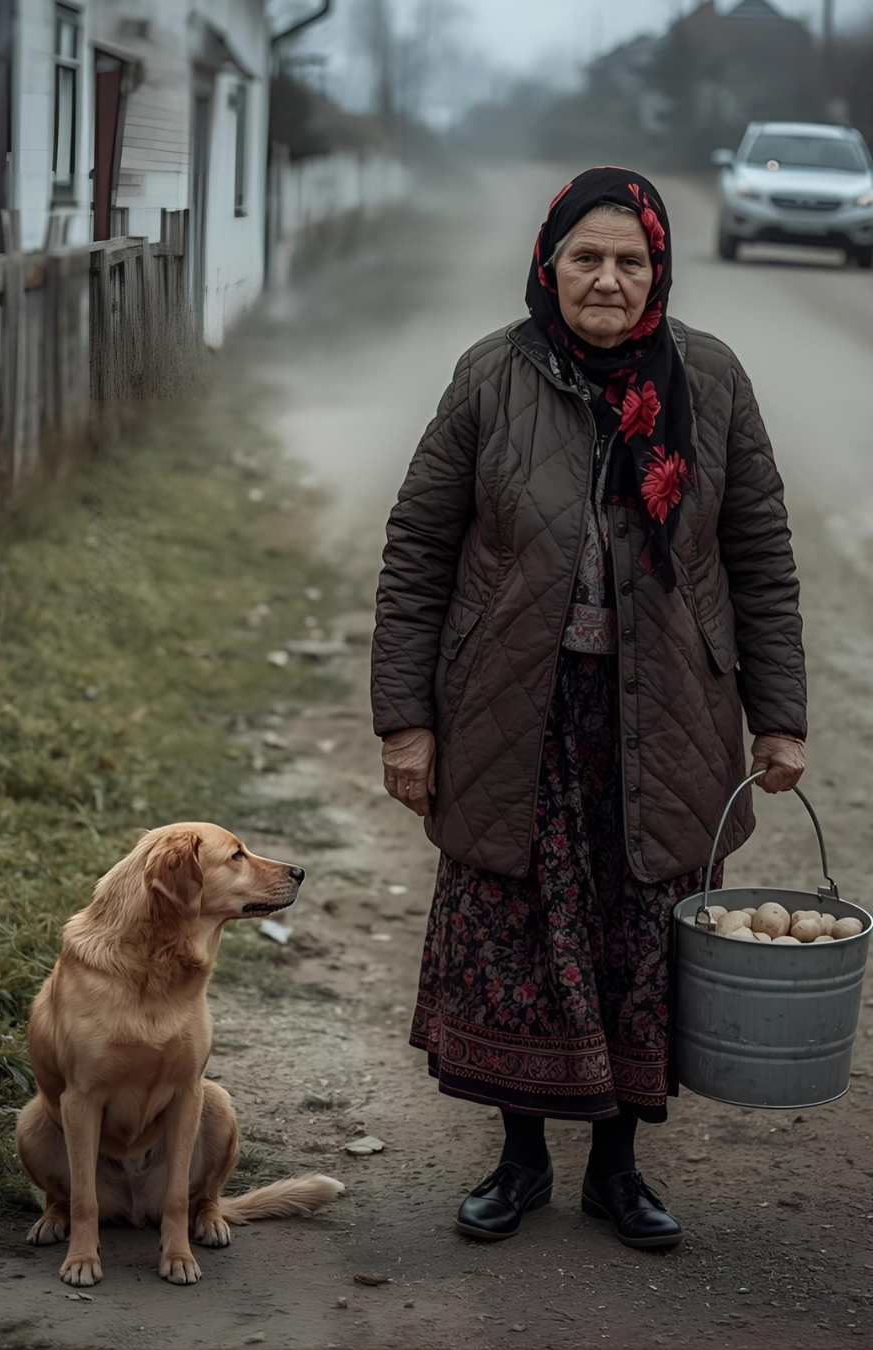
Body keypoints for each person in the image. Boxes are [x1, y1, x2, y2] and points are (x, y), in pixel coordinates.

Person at [370, 167, 806, 1249]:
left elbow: (759, 555)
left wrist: (780, 716)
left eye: (631, 261)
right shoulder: (490, 376)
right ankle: (519, 1162)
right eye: (587, 258)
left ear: (658, 270)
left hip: (669, 714)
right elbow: (419, 549)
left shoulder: (710, 377)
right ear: (549, 265)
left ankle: (619, 1170)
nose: (609, 280)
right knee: (520, 934)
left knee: (641, 942)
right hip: (517, 710)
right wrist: (406, 720)